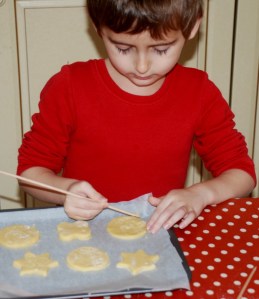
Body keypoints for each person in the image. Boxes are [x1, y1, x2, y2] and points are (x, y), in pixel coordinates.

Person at [17, 0, 256, 234]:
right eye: (123, 48)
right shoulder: (69, 87)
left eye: (161, 49)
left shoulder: (198, 92)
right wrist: (65, 190)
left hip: (159, 235)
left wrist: (200, 194)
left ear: (193, 26)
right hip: (81, 236)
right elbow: (30, 173)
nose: (142, 66)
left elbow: (241, 174)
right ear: (97, 25)